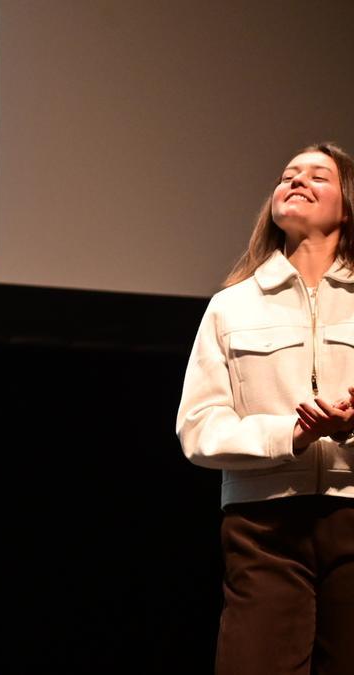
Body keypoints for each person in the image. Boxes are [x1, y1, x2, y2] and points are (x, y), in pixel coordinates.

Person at [177, 142, 354, 675]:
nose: (296, 181)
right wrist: (289, 435)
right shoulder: (232, 305)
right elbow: (199, 426)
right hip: (263, 523)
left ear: (347, 205)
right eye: (287, 175)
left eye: (317, 176)